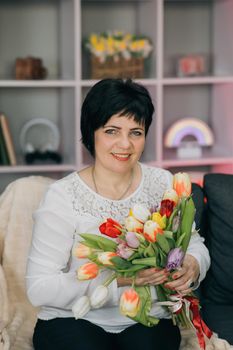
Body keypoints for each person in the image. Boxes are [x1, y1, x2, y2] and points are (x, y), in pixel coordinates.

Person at [26, 78, 210, 350]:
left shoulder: (162, 184)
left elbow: (194, 245)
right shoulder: (63, 196)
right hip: (73, 319)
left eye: (136, 132)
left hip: (147, 319)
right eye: (112, 131)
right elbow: (38, 287)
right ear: (92, 133)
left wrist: (193, 265)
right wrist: (123, 280)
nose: (125, 144)